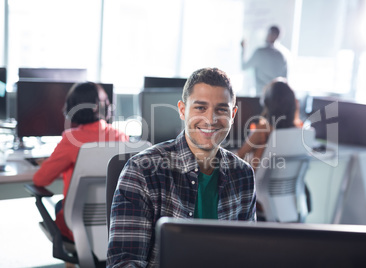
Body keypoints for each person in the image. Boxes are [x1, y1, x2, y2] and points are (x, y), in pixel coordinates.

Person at [107, 67, 256, 267]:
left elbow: (248, 256)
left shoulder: (243, 174)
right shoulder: (142, 171)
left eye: (221, 109)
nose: (210, 119)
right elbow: (125, 262)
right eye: (200, 108)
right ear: (182, 110)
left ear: (233, 114)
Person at [33, 82, 129, 242]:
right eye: (106, 101)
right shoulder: (121, 137)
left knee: (60, 206)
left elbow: (40, 180)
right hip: (115, 224)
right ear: (95, 107)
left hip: (76, 226)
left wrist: (48, 164)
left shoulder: (71, 139)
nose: (109, 105)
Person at [237, 78, 302, 169]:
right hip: (290, 184)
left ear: (267, 105)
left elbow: (235, 160)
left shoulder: (262, 132)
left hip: (258, 182)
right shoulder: (299, 134)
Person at [241, 25, 289, 95]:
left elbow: (244, 66)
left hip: (260, 96)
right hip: (276, 97)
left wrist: (243, 49)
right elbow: (284, 80)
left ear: (274, 35)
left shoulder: (260, 52)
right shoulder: (283, 55)